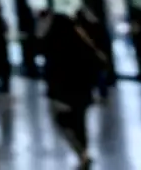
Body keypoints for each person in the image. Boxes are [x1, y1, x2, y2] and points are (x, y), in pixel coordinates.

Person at [42, 13, 106, 169]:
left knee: (63, 122)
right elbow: (98, 63)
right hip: (82, 91)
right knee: (80, 123)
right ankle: (84, 153)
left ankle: (81, 153)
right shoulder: (82, 42)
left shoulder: (54, 45)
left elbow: (51, 72)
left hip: (62, 94)